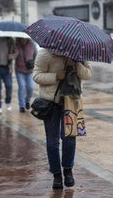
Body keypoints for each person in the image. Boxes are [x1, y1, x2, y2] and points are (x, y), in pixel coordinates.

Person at [33, 48, 93, 189]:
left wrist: (76, 64)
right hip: (51, 102)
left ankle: (68, 170)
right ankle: (56, 174)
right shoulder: (45, 53)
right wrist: (56, 76)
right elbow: (36, 75)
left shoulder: (80, 53)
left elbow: (88, 74)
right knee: (52, 141)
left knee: (69, 139)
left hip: (71, 101)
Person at [14, 38, 36, 113]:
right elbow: (12, 56)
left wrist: (34, 64)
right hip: (19, 70)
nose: (22, 40)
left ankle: (27, 100)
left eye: (24, 39)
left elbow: (36, 56)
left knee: (31, 87)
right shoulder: (16, 45)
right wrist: (15, 52)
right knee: (22, 86)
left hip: (29, 70)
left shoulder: (32, 44)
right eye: (21, 39)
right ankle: (22, 106)